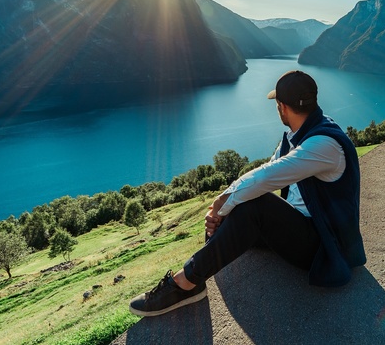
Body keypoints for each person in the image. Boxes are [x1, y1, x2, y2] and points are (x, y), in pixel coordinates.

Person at [129, 70, 366, 317]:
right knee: (242, 201)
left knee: (253, 204)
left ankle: (187, 282)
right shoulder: (299, 135)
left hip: (325, 246)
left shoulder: (324, 144)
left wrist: (222, 200)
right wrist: (223, 208)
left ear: (282, 108)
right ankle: (205, 259)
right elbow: (266, 173)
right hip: (300, 228)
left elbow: (264, 178)